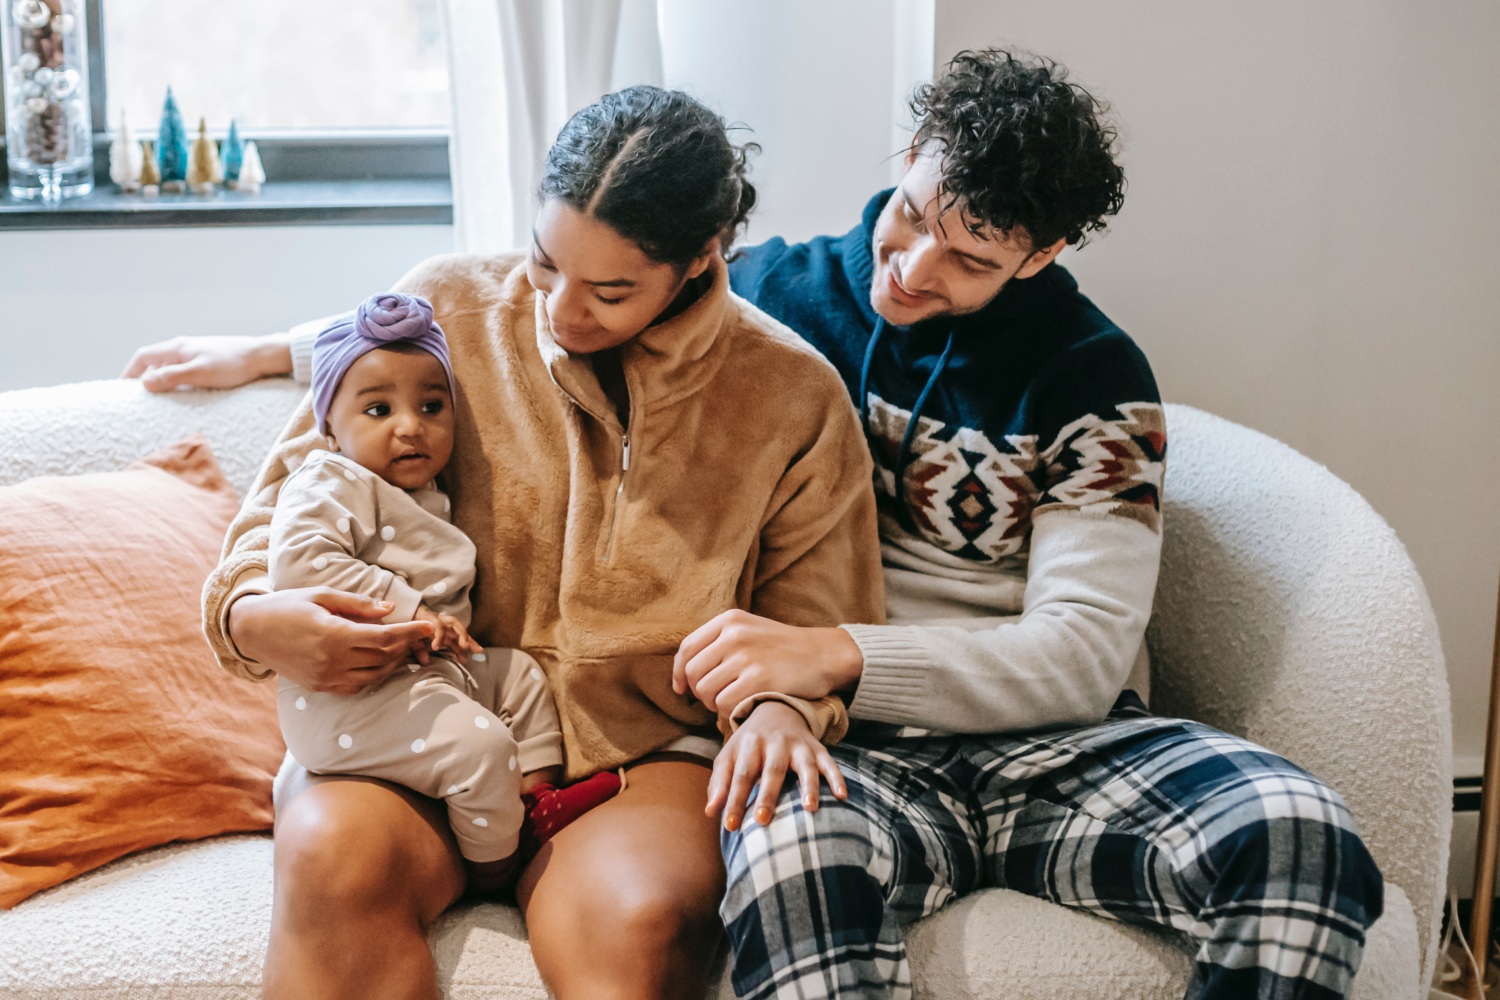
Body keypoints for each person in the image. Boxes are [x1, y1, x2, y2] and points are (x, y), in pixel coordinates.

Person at [139, 85, 886, 1000]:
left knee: (639, 927)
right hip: (409, 715)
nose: (564, 313)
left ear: (700, 259)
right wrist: (255, 618)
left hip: (639, 757)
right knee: (330, 858)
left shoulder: (792, 396)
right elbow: (280, 512)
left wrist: (780, 710)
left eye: (610, 292)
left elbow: (820, 627)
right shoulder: (442, 307)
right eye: (545, 263)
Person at [665, 50, 1384, 1000]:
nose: (915, 269)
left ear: (1041, 255)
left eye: (972, 260)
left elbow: (1083, 656)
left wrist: (835, 653)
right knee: (788, 850)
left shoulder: (1093, 375)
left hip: (1055, 747)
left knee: (1302, 836)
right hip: (854, 750)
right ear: (912, 152)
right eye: (915, 215)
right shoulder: (765, 304)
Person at [268, 291, 620, 885]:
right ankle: (497, 868)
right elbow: (300, 562)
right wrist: (412, 607)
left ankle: (533, 804)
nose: (411, 427)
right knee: (481, 746)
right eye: (378, 411)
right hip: (350, 695)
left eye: (432, 406)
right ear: (328, 424)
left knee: (522, 680)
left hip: (429, 672)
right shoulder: (327, 479)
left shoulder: (426, 495)